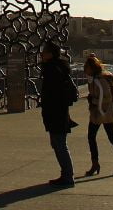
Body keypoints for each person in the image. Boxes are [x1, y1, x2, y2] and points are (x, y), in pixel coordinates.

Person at [81, 55, 113, 177]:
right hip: (101, 112)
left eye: (86, 67)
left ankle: (97, 164)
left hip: (102, 112)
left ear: (91, 68)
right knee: (109, 137)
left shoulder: (99, 80)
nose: (84, 70)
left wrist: (94, 101)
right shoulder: (93, 79)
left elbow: (107, 97)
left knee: (96, 137)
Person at [39, 41, 77, 187]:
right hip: (59, 112)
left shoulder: (52, 70)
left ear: (50, 54)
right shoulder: (58, 68)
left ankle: (67, 177)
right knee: (57, 144)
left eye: (44, 52)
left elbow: (52, 94)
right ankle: (66, 175)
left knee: (60, 144)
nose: (42, 54)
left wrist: (49, 109)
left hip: (55, 113)